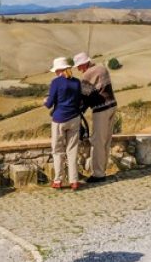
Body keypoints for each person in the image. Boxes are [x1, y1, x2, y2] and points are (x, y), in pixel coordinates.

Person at [73, 52, 118, 183]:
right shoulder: (102, 68)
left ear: (84, 63)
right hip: (112, 105)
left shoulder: (88, 74)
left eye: (79, 66)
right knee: (106, 141)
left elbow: (84, 97)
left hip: (101, 110)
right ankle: (102, 170)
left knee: (98, 142)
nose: (78, 69)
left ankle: (98, 174)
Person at [44, 57, 83, 190]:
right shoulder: (77, 82)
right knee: (72, 150)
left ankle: (58, 180)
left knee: (58, 151)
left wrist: (45, 100)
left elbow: (49, 104)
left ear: (59, 70)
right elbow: (79, 101)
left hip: (59, 119)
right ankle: (74, 180)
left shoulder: (56, 82)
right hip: (74, 118)